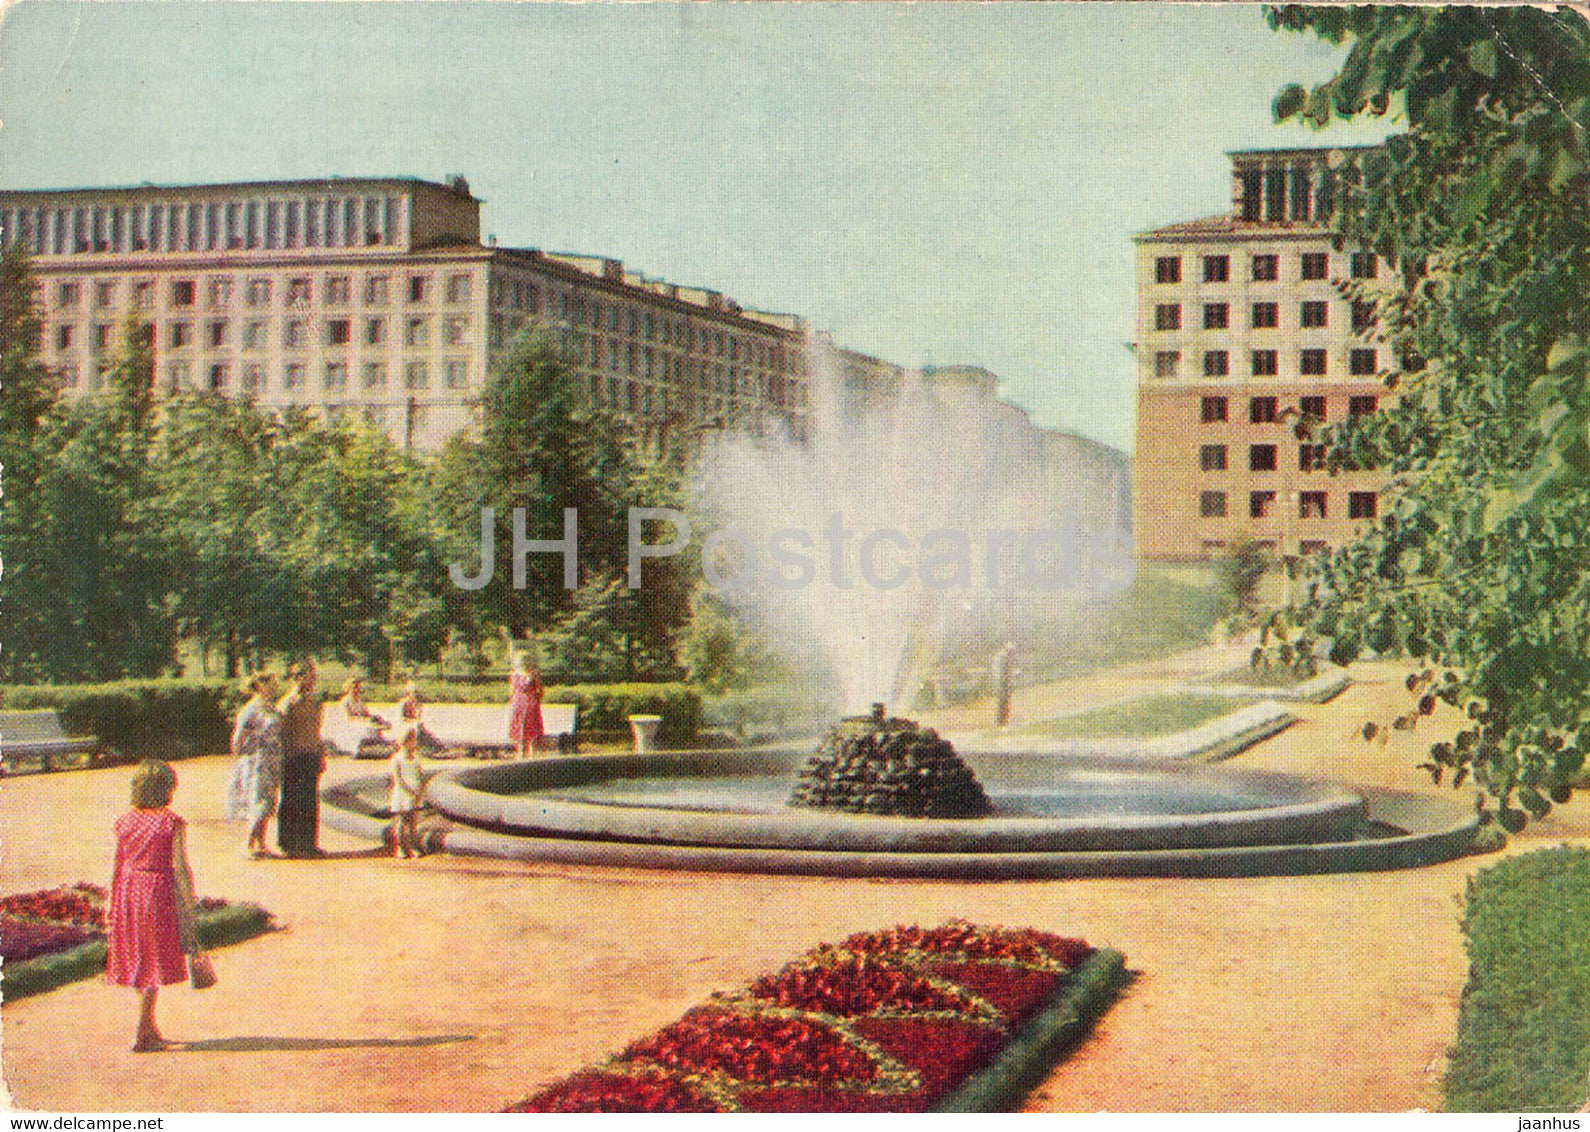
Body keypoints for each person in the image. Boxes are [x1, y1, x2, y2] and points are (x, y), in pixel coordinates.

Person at [107, 760, 203, 1053]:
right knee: (154, 958)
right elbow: (180, 866)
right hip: (157, 892)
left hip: (128, 890)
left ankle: (149, 1025)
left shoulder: (124, 821)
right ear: (166, 790)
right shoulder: (170, 822)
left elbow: (118, 862)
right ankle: (141, 1031)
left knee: (139, 955)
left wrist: (113, 901)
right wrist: (188, 900)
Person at [225, 672, 284, 857]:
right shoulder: (250, 709)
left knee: (268, 801)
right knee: (257, 800)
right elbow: (237, 738)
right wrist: (243, 761)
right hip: (256, 761)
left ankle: (261, 843)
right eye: (270, 685)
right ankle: (248, 844)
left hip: (271, 759)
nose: (274, 688)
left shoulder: (271, 708)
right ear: (260, 686)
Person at [276, 661, 325, 858]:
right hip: (293, 757)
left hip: (310, 755)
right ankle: (288, 844)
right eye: (310, 677)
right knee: (291, 800)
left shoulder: (314, 702)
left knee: (309, 800)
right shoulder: (288, 703)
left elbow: (317, 730)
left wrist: (320, 755)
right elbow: (282, 733)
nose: (313, 681)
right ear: (299, 678)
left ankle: (308, 844)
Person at [387, 725, 430, 858]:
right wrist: (408, 791)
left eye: (414, 740)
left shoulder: (416, 758)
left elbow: (419, 775)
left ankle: (413, 847)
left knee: (412, 823)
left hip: (414, 794)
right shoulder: (397, 759)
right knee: (402, 821)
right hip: (403, 794)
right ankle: (401, 848)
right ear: (404, 742)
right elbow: (398, 779)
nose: (413, 743)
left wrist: (419, 792)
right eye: (410, 740)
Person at [335, 677, 391, 757]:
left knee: (376, 726)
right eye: (355, 688)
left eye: (358, 688)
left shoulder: (359, 702)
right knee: (368, 728)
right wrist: (363, 719)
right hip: (349, 727)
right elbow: (347, 718)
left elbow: (366, 714)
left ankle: (377, 746)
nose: (357, 690)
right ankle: (361, 748)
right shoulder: (345, 702)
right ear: (349, 688)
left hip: (361, 723)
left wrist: (376, 718)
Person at [507, 651, 544, 759]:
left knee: (524, 729)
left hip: (521, 703)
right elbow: (540, 690)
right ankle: (527, 755)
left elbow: (511, 692)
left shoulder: (515, 674)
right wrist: (536, 699)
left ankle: (523, 755)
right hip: (527, 703)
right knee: (527, 730)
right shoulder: (530, 674)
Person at [992, 642, 1017, 730]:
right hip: (1002, 682)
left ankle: (1002, 722)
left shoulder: (1001, 656)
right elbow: (1004, 672)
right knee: (1003, 702)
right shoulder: (1003, 657)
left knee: (1003, 702)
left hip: (1001, 682)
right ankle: (1002, 722)